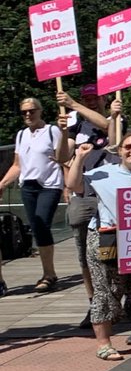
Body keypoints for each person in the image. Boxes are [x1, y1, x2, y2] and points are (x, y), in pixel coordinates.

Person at [65, 134, 131, 361]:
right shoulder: (105, 173)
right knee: (106, 289)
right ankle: (104, 344)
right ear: (119, 151)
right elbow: (73, 185)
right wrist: (80, 158)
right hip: (108, 237)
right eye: (128, 147)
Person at [58, 84, 123, 326]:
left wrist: (74, 103)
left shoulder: (114, 117)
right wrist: (62, 132)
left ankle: (119, 297)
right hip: (84, 193)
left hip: (110, 194)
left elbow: (111, 133)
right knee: (85, 254)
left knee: (115, 250)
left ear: (104, 98)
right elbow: (63, 156)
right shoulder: (77, 125)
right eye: (87, 98)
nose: (91, 101)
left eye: (94, 97)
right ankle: (94, 301)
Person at [0, 98, 71, 293]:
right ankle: (48, 272)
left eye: (32, 111)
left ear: (40, 111)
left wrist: (67, 187)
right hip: (28, 186)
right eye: (24, 112)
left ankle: (49, 274)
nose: (28, 115)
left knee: (41, 224)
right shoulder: (21, 135)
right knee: (36, 227)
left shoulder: (52, 131)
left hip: (49, 185)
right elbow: (17, 165)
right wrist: (3, 184)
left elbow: (64, 159)